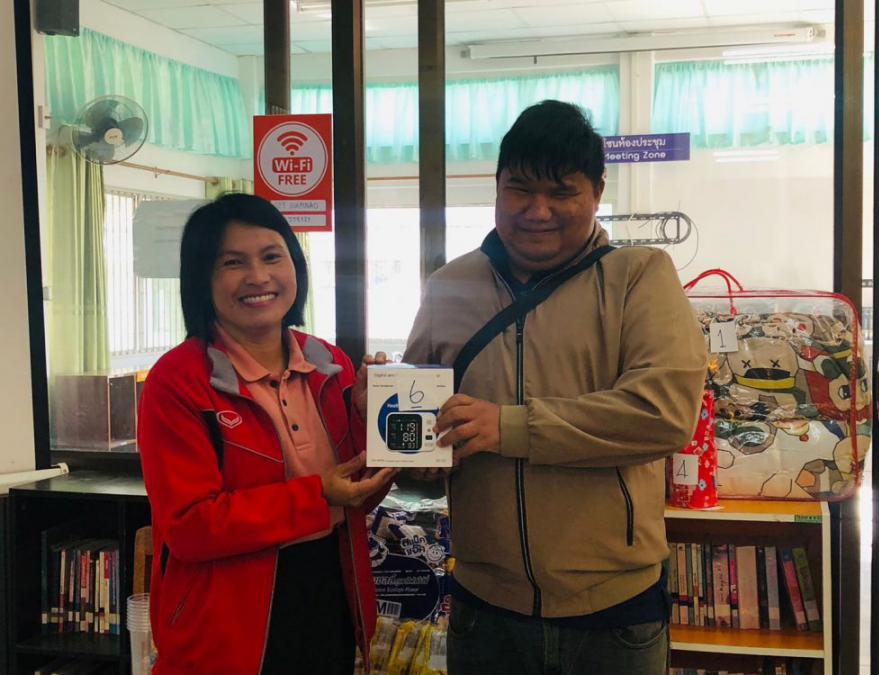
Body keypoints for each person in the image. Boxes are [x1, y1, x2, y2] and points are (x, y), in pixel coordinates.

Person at [403, 100, 708, 674]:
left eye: (561, 192)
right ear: (497, 188)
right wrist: (390, 427)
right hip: (483, 608)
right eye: (519, 190)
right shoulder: (448, 286)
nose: (537, 211)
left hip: (614, 613)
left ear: (597, 192)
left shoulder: (639, 277)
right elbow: (420, 438)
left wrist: (508, 427)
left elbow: (663, 414)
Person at [137, 193, 396, 674]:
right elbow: (190, 527)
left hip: (330, 600)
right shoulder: (178, 381)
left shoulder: (330, 363)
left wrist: (373, 420)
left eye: (272, 257)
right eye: (233, 263)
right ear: (202, 279)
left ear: (295, 266)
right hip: (224, 626)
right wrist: (319, 495)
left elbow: (360, 496)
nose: (258, 277)